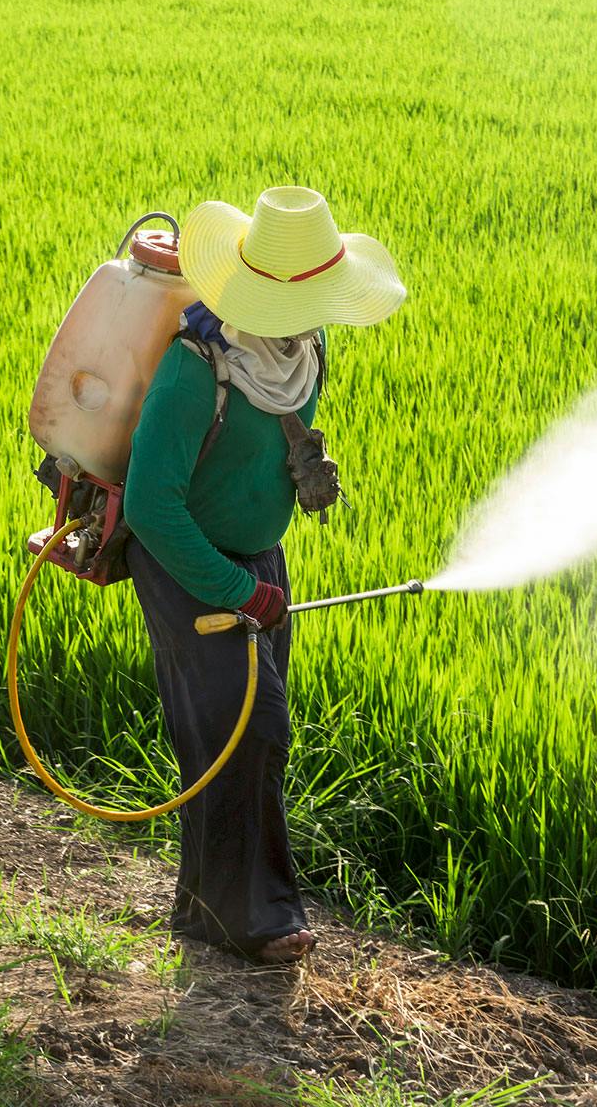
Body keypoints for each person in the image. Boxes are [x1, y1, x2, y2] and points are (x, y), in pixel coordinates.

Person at [123, 186, 406, 964]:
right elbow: (151, 506)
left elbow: (275, 423)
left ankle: (207, 906)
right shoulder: (194, 375)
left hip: (256, 564)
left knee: (242, 736)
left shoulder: (302, 350)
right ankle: (257, 917)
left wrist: (301, 461)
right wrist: (233, 589)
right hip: (189, 565)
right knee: (246, 730)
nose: (321, 315)